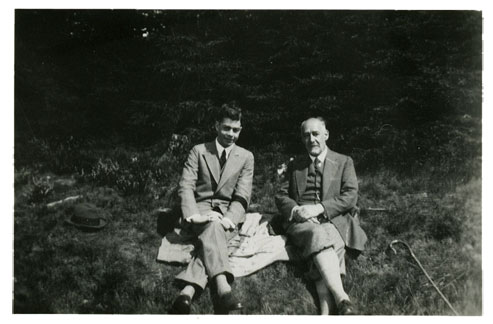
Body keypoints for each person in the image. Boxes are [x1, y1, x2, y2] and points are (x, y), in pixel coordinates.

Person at [275, 117, 367, 315]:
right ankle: (342, 298)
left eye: (316, 134)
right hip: (301, 221)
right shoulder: (295, 165)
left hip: (334, 218)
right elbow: (281, 195)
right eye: (306, 135)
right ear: (302, 138)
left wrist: (319, 209)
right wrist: (296, 210)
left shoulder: (344, 161)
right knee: (319, 236)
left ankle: (326, 313)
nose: (311, 139)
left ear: (326, 135)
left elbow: (350, 196)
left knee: (325, 246)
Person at [171, 104, 254, 314]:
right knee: (212, 229)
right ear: (216, 126)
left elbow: (243, 195)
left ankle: (187, 292)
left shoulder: (246, 156)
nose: (231, 134)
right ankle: (223, 288)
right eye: (226, 128)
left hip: (228, 213)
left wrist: (229, 219)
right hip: (200, 210)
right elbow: (186, 186)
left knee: (215, 231)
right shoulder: (199, 151)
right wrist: (194, 215)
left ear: (241, 130)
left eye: (236, 130)